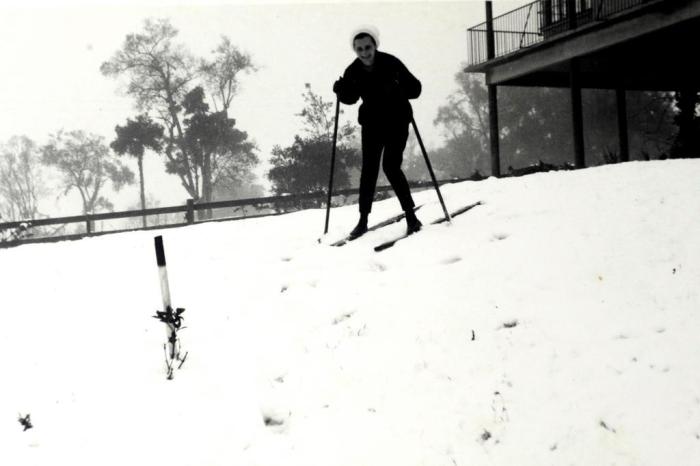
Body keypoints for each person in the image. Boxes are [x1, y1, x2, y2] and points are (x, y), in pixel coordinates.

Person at [333, 26, 422, 239]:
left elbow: (415, 89)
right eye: (360, 49)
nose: (365, 52)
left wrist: (400, 85)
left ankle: (411, 217)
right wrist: (341, 90)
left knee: (391, 167)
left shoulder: (391, 63)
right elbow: (351, 98)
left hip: (397, 120)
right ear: (355, 50)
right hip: (372, 124)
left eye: (368, 47)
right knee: (369, 171)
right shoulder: (353, 70)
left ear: (375, 45)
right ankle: (363, 221)